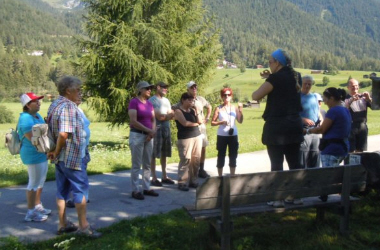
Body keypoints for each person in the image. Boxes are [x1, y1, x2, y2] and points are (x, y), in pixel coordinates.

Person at [47, 76, 101, 238]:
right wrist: (56, 151)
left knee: (62, 191)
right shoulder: (68, 107)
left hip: (61, 158)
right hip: (71, 157)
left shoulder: (54, 104)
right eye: (78, 90)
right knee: (80, 189)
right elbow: (64, 133)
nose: (80, 93)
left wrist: (55, 153)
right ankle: (84, 227)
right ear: (67, 91)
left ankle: (62, 224)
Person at [251, 49, 304, 207]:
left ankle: (277, 198)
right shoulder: (296, 77)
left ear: (278, 62)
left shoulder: (275, 79)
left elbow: (256, 96)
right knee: (294, 163)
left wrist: (269, 80)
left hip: (277, 128)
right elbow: (285, 86)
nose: (269, 64)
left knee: (277, 164)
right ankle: (295, 196)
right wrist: (270, 77)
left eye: (270, 62)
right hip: (294, 126)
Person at [18, 93, 51, 222]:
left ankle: (37, 206)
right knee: (33, 183)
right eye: (35, 101)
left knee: (40, 182)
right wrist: (49, 148)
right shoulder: (26, 118)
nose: (38, 103)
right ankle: (30, 212)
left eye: (38, 101)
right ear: (27, 105)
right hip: (32, 155)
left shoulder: (36, 116)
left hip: (41, 154)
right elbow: (34, 139)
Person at [128, 81, 158, 200]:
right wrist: (149, 131)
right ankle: (135, 190)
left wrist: (152, 132)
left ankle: (146, 187)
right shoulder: (134, 102)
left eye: (150, 88)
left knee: (147, 164)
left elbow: (153, 119)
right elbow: (134, 121)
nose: (150, 90)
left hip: (148, 136)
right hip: (137, 135)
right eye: (147, 88)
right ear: (140, 90)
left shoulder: (149, 104)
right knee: (136, 164)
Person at [306, 87, 351, 168]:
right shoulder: (345, 110)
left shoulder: (333, 111)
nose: (325, 103)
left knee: (328, 177)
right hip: (343, 148)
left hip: (332, 149)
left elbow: (322, 129)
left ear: (332, 98)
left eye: (326, 99)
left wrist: (308, 131)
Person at [211, 88, 243, 176]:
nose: (227, 96)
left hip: (233, 135)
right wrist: (221, 122)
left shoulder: (234, 108)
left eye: (228, 95)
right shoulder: (218, 108)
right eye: (225, 95)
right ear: (222, 96)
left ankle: (232, 176)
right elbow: (212, 123)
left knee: (233, 156)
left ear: (231, 96)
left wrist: (240, 110)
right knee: (221, 155)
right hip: (222, 135)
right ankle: (220, 177)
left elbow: (240, 121)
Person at [174, 92, 203, 191]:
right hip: (185, 138)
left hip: (197, 136)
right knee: (186, 159)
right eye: (189, 100)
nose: (191, 102)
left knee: (196, 159)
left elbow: (200, 121)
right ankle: (182, 182)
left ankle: (193, 180)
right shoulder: (178, 111)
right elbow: (185, 123)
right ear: (183, 100)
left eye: (192, 100)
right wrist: (196, 124)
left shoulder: (192, 111)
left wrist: (197, 111)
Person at [148, 82, 175, 187]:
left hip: (166, 129)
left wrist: (167, 115)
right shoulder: (152, 101)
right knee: (154, 154)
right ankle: (154, 177)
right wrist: (168, 115)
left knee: (165, 153)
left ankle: (164, 176)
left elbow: (172, 114)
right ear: (158, 88)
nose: (166, 89)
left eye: (166, 88)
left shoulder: (166, 100)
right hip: (156, 129)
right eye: (164, 87)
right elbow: (159, 117)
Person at [66, 99, 91, 208]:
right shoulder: (69, 111)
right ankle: (72, 199)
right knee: (75, 176)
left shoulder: (79, 109)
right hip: (75, 148)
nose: (80, 96)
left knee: (82, 174)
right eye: (77, 93)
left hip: (84, 147)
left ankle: (83, 197)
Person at [185, 81, 212, 178]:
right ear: (188, 89)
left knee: (203, 148)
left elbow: (209, 107)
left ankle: (201, 169)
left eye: (195, 87)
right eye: (192, 87)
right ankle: (191, 171)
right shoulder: (185, 99)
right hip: (191, 126)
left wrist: (207, 117)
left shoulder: (201, 99)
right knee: (192, 150)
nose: (194, 88)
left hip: (201, 126)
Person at [344, 78, 373, 153]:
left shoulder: (363, 97)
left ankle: (358, 164)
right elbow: (344, 108)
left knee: (360, 150)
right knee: (350, 150)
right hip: (351, 126)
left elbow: (374, 107)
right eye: (353, 86)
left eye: (356, 86)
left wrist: (368, 98)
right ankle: (349, 164)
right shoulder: (345, 98)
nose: (355, 88)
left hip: (362, 126)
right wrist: (351, 100)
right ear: (348, 87)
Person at [299, 75, 321, 168]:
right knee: (303, 159)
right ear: (300, 84)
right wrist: (303, 119)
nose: (307, 86)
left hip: (315, 131)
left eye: (309, 84)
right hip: (304, 131)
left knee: (315, 157)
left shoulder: (314, 97)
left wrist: (322, 120)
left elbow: (317, 111)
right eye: (305, 84)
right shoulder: (296, 97)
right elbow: (291, 115)